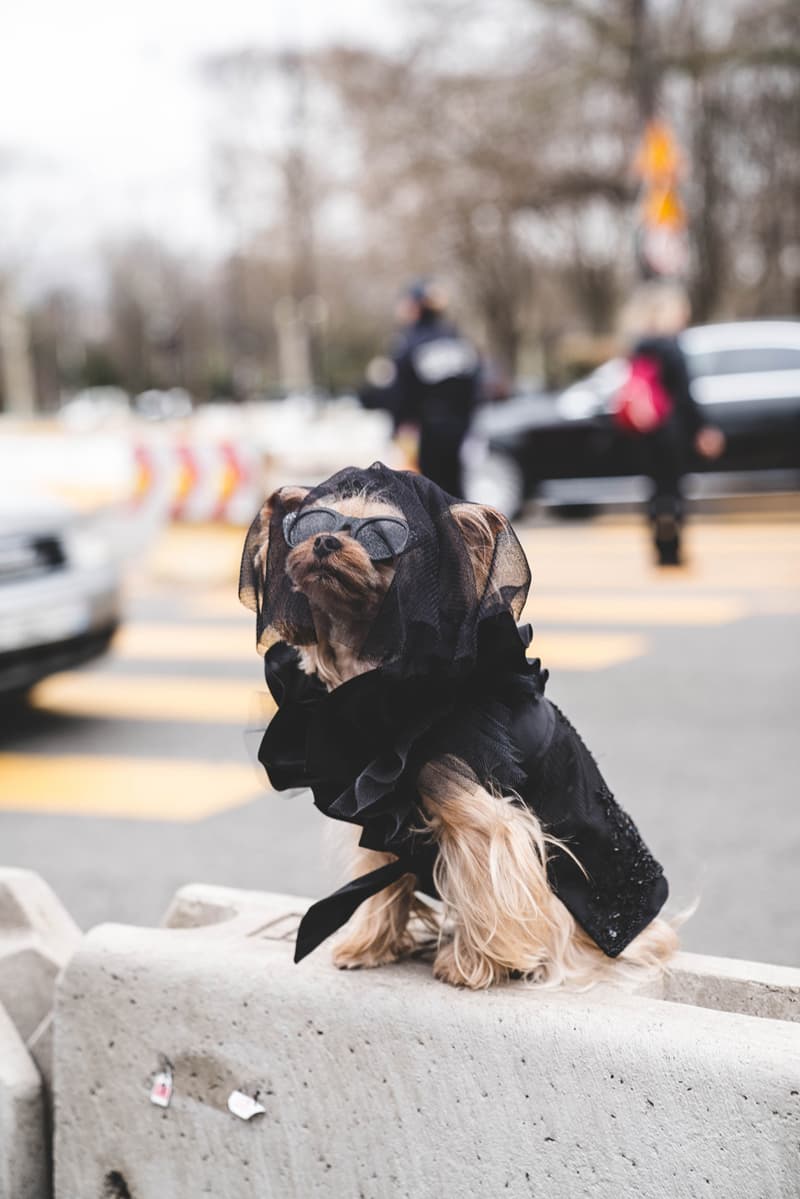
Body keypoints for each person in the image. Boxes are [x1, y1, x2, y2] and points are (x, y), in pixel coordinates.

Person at [618, 282, 725, 566]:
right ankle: (673, 549)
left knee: (655, 489)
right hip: (672, 430)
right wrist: (703, 428)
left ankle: (658, 545)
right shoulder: (673, 347)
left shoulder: (639, 346)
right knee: (674, 490)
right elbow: (685, 396)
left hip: (645, 431)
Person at [389, 279, 482, 499]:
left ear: (416, 306)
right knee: (456, 492)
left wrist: (398, 428)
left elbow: (401, 392)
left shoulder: (410, 342)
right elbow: (475, 386)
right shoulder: (457, 339)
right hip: (460, 428)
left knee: (426, 494)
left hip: (426, 430)